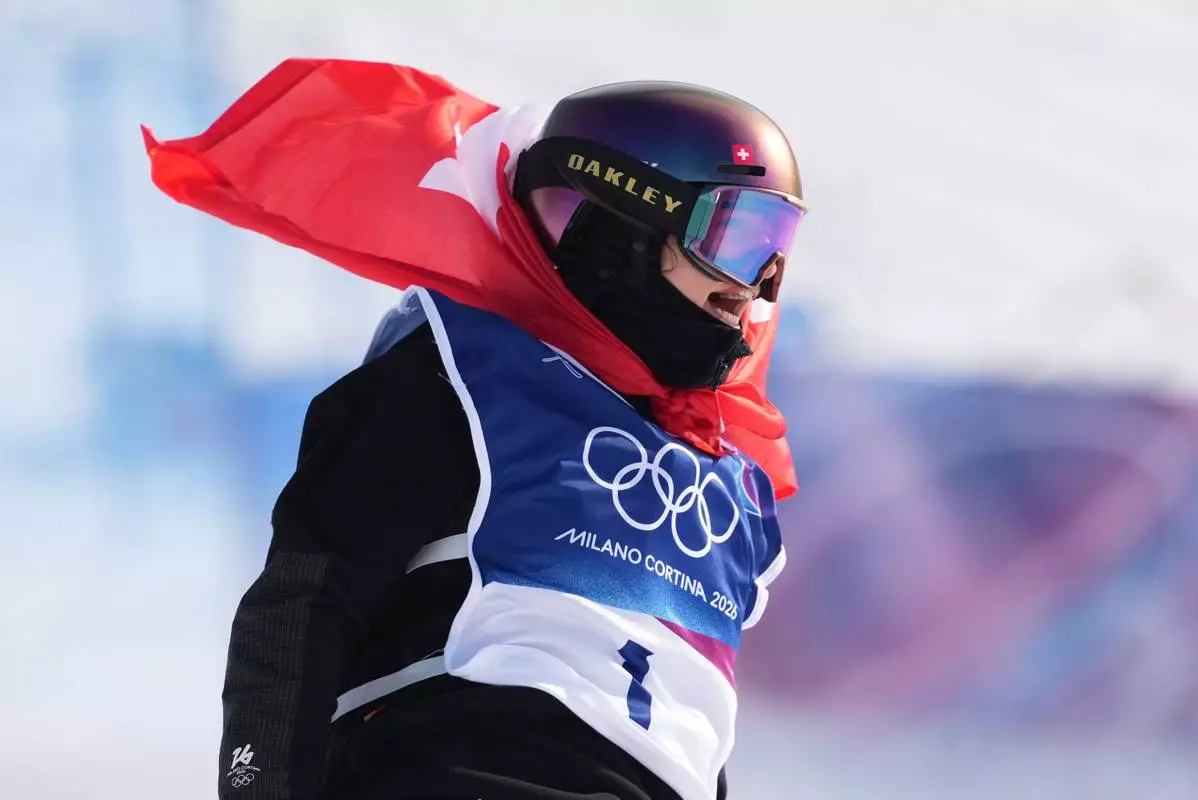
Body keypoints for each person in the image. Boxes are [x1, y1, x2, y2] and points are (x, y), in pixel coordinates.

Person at [212, 77, 805, 800]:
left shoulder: (730, 490)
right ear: (626, 221)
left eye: (776, 249)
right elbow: (304, 604)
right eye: (736, 237)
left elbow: (696, 735)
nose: (756, 287)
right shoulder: (465, 374)